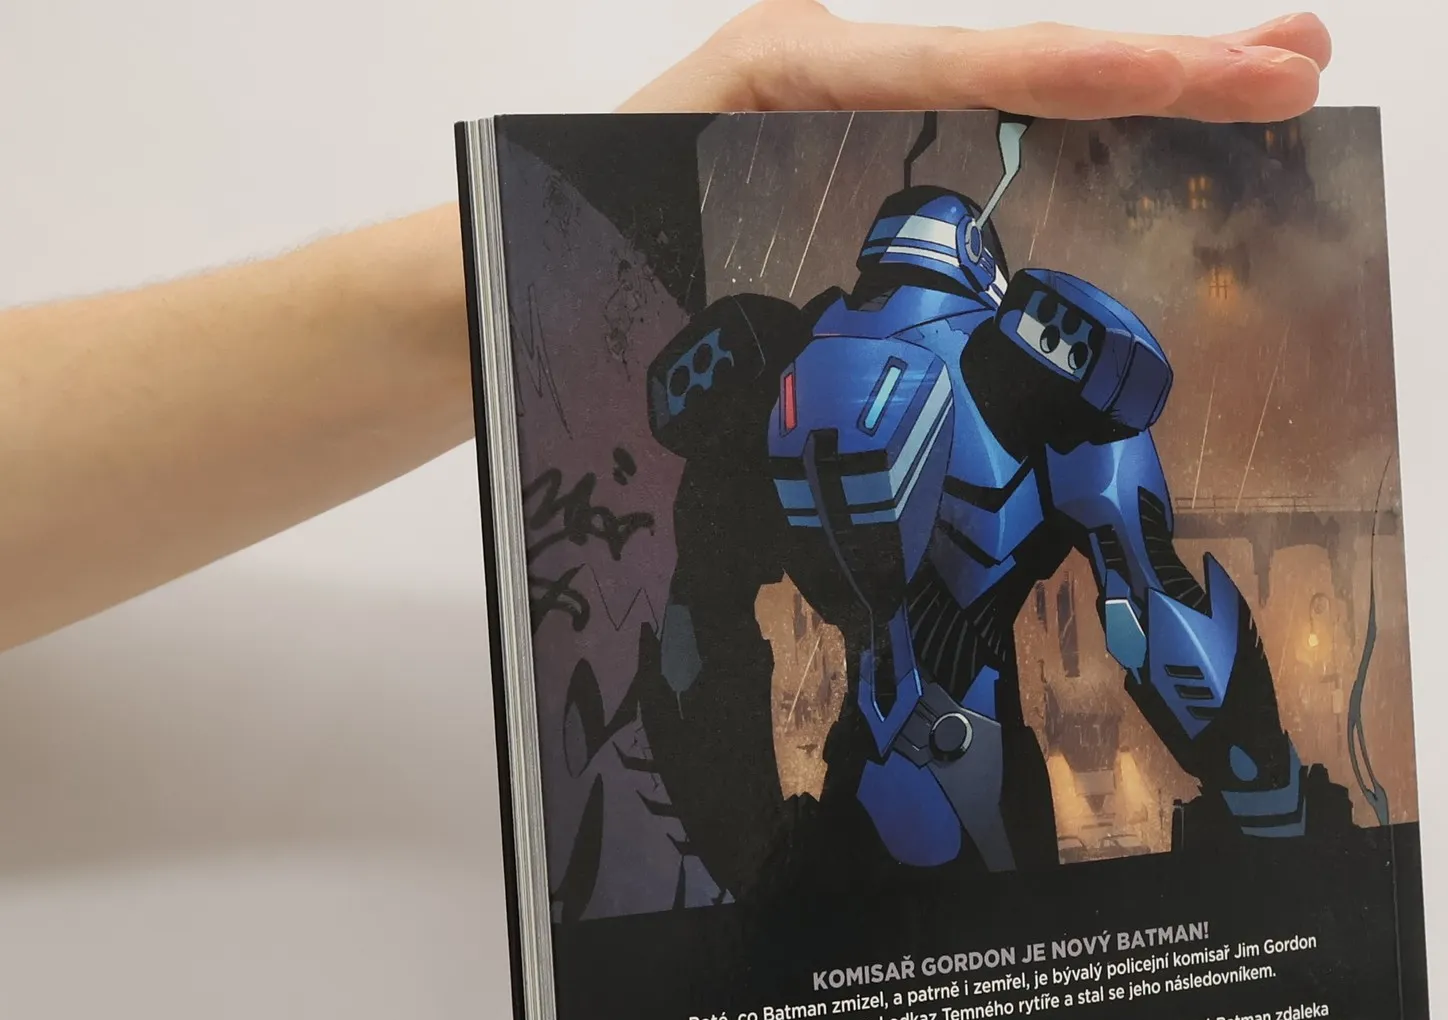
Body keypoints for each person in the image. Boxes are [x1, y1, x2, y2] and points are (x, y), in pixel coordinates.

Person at [0, 2, 1330, 656]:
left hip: (891, 723)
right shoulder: (980, 354)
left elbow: (697, 615)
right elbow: (1155, 612)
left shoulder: (783, 347)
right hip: (921, 718)